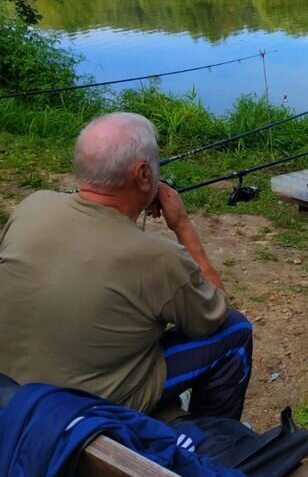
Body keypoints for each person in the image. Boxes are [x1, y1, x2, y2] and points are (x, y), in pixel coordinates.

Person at [0, 112, 252, 420]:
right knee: (235, 331)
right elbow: (215, 314)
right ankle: (211, 448)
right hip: (81, 415)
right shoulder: (159, 257)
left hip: (10, 390)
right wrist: (182, 225)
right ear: (144, 174)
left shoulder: (32, 205)